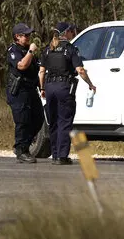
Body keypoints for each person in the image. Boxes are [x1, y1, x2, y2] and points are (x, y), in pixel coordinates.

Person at [39, 22, 96, 165]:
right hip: (64, 87)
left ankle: (55, 155)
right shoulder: (70, 49)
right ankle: (62, 156)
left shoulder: (48, 49)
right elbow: (80, 70)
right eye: (71, 30)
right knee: (64, 121)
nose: (73, 33)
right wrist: (90, 84)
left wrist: (42, 88)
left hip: (50, 87)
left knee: (53, 122)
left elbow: (41, 72)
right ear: (66, 33)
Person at [6, 23, 44, 163]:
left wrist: (42, 87)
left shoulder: (30, 50)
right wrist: (30, 52)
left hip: (31, 89)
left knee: (38, 118)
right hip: (18, 91)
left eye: (29, 35)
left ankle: (23, 146)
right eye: (25, 35)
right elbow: (21, 66)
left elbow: (39, 68)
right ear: (17, 37)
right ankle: (22, 150)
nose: (28, 37)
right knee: (23, 121)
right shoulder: (13, 50)